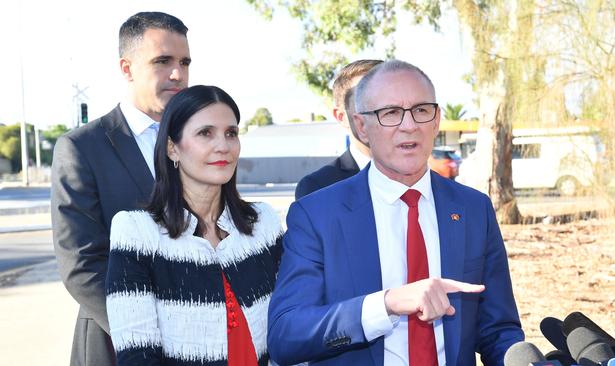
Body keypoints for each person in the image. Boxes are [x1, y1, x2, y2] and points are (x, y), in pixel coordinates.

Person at [268, 60, 524, 365]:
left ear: (437, 120)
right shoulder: (317, 215)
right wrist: (386, 305)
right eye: (390, 113)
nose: (409, 125)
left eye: (421, 110)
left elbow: (498, 330)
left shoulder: (473, 209)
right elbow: (286, 336)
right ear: (361, 126)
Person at [105, 85, 283, 365]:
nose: (223, 145)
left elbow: (288, 325)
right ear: (172, 148)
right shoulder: (137, 233)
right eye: (205, 133)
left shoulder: (263, 224)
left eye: (231, 133)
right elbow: (137, 354)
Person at [51, 12, 191, 366]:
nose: (178, 74)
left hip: (202, 340)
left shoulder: (199, 138)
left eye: (184, 62)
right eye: (163, 61)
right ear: (127, 69)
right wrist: (151, 335)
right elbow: (81, 264)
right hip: (119, 345)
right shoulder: (82, 147)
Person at [294, 59, 383, 199]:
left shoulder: (423, 177)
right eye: (366, 101)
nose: (382, 110)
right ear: (341, 117)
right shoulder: (318, 188)